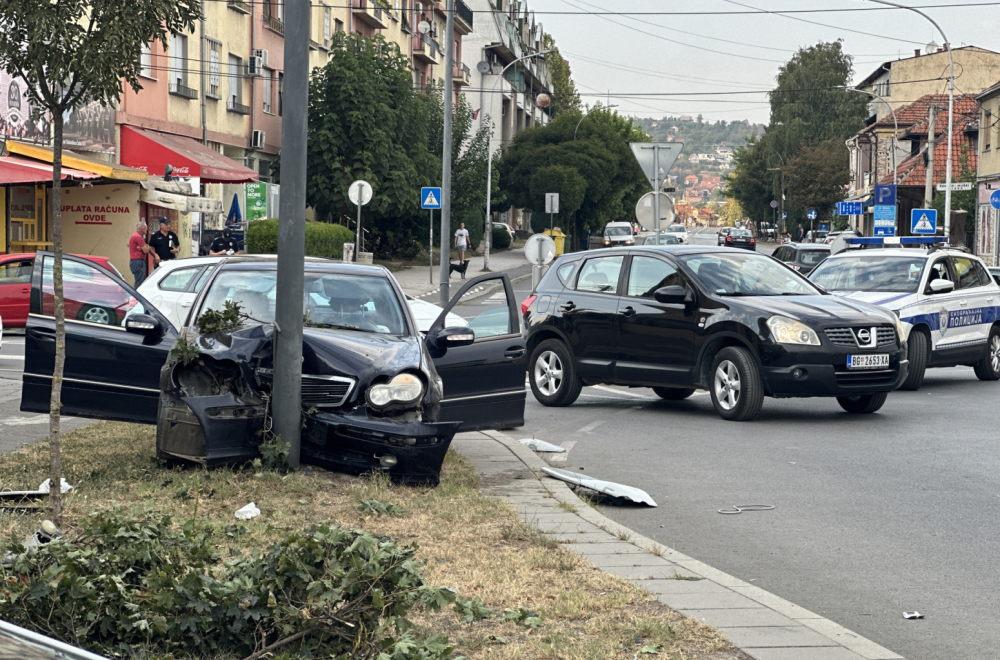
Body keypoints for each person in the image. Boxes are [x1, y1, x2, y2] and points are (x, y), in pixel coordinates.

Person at [128, 221, 151, 287]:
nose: (147, 229)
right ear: (142, 228)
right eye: (146, 228)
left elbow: (144, 248)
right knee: (139, 283)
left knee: (140, 281)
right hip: (137, 262)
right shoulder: (138, 237)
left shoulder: (137, 236)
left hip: (136, 262)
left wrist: (143, 247)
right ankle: (136, 296)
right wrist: (147, 246)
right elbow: (146, 251)